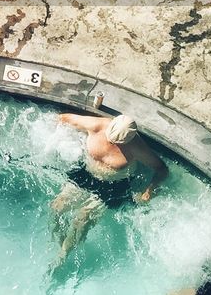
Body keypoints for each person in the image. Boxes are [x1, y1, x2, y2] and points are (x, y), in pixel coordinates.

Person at [49, 97, 168, 267]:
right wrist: (55, 142)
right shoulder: (98, 125)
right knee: (56, 207)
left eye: (118, 142)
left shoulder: (137, 147)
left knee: (81, 221)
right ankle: (59, 240)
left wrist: (150, 190)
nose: (112, 143)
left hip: (112, 187)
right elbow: (62, 118)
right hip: (86, 174)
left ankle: (62, 257)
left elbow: (162, 169)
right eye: (110, 137)